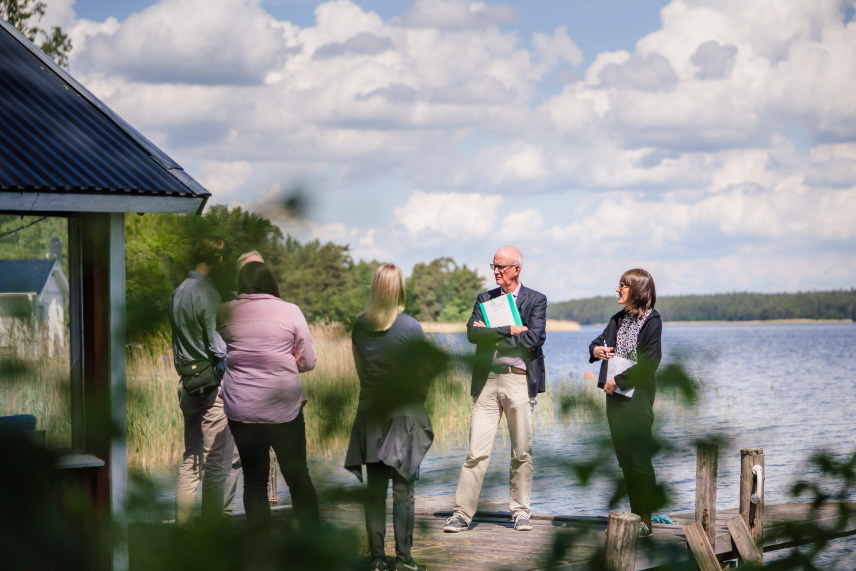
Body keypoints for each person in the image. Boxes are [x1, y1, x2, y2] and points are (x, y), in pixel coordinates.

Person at [444, 246, 547, 533]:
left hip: (519, 381)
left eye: (501, 267)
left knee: (521, 451)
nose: (496, 271)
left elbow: (535, 339)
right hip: (487, 382)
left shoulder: (536, 300)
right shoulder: (485, 298)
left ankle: (520, 511)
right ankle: (462, 514)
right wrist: (510, 330)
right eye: (494, 266)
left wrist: (492, 335)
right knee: (476, 452)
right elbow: (472, 333)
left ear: (517, 269)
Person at [216, 261, 320, 530]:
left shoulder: (226, 311)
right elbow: (307, 361)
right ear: (271, 282)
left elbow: (228, 348)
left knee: (253, 478)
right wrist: (285, 362)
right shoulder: (290, 311)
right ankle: (313, 539)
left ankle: (262, 545)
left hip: (242, 408)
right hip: (283, 408)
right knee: (297, 476)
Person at [345, 263, 434, 571]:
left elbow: (361, 374)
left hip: (371, 412)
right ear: (399, 289)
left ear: (374, 289)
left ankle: (377, 560)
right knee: (404, 491)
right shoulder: (410, 327)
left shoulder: (358, 326)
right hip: (403, 413)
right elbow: (423, 377)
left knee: (374, 492)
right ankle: (405, 560)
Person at [588, 269, 663, 539]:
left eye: (622, 286)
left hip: (637, 399)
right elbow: (600, 343)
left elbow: (650, 362)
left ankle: (646, 521)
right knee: (625, 461)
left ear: (638, 290)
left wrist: (618, 381)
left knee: (640, 461)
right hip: (615, 400)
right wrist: (596, 350)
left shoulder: (652, 321)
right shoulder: (618, 319)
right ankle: (634, 517)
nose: (617, 290)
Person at [169, 235, 236, 525]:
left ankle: (182, 528)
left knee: (190, 460)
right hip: (211, 386)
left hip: (187, 384)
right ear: (219, 259)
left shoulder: (179, 291)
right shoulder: (208, 294)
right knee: (216, 463)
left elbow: (177, 344)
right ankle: (212, 532)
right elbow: (218, 345)